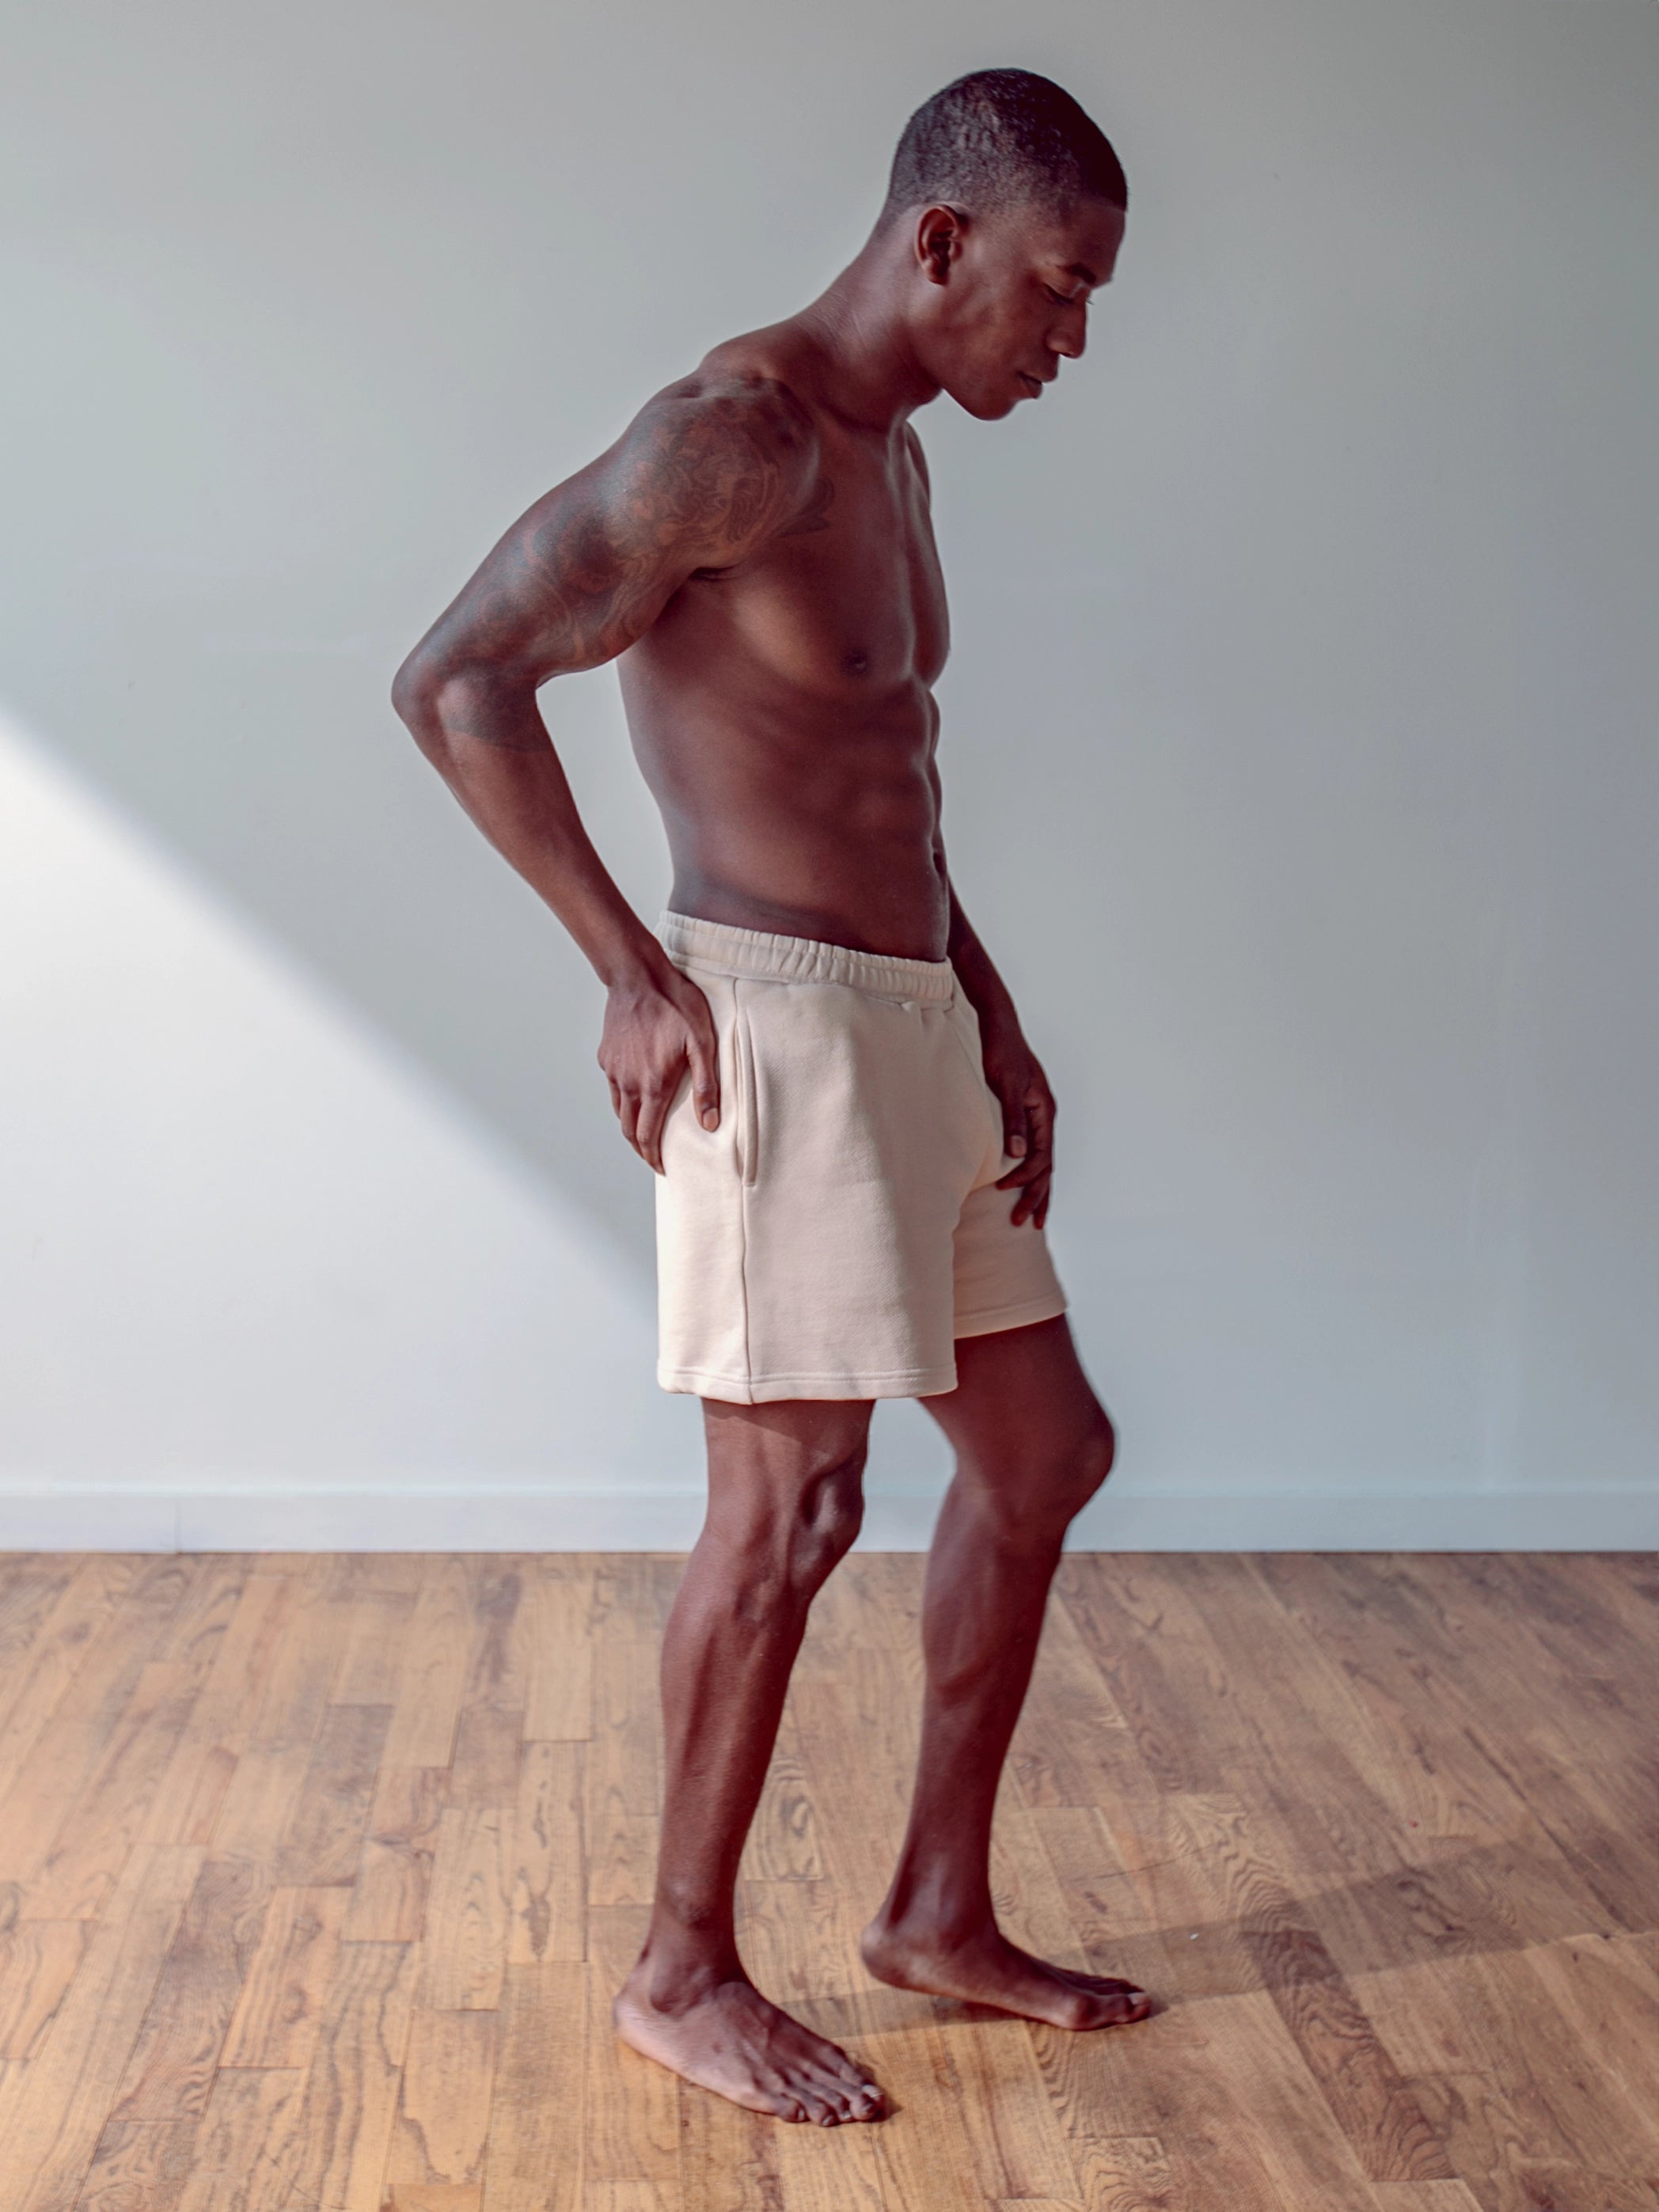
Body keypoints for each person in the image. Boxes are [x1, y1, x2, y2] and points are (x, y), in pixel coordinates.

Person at [393, 66, 1149, 2127]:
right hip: (776, 1028)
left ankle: (935, 1912)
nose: (1072, 341)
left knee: (1047, 1452)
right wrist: (627, 974)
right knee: (794, 1507)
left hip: (915, 1020)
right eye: (1060, 291)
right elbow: (456, 679)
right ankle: (680, 1969)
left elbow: (888, 774)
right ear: (942, 243)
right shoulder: (731, 437)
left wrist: (989, 1005)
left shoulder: (900, 460)